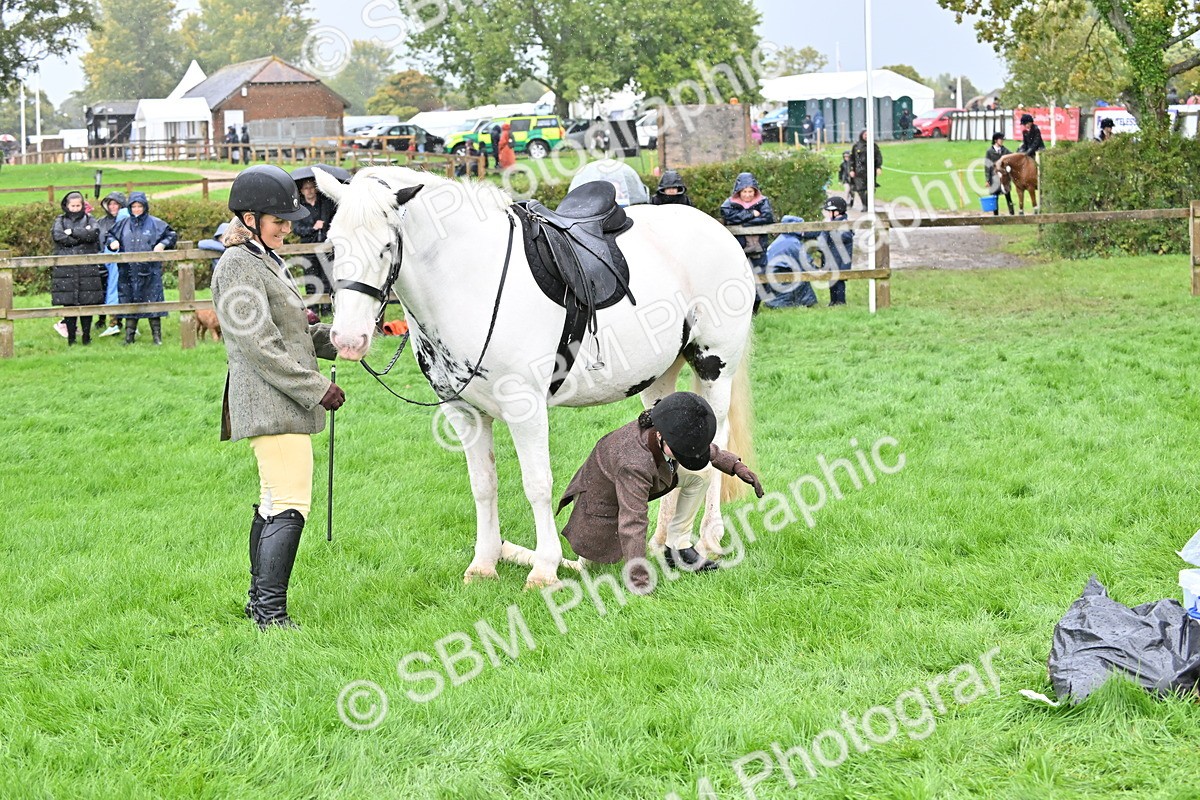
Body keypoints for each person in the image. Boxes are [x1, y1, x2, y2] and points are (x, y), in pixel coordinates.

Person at [210, 164, 342, 630]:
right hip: (270, 401)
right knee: (290, 502)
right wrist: (318, 388)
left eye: (290, 221)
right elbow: (260, 346)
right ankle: (271, 614)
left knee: (271, 503)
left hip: (280, 399)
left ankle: (257, 604)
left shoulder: (265, 258)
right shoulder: (237, 265)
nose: (288, 228)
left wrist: (341, 338)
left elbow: (292, 332)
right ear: (249, 219)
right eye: (279, 221)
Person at [555, 392, 763, 589]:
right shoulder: (633, 462)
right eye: (681, 449)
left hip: (641, 480)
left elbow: (694, 446)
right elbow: (633, 521)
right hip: (600, 513)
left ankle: (677, 548)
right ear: (663, 435)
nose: (688, 454)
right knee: (587, 568)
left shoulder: (666, 427)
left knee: (702, 473)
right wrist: (639, 581)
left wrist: (737, 467)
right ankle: (534, 557)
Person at [105, 191, 177, 345]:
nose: (137, 209)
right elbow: (109, 236)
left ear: (145, 207)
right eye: (134, 206)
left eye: (140, 206)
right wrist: (112, 243)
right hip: (127, 272)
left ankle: (157, 338)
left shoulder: (155, 223)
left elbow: (171, 234)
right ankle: (129, 338)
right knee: (130, 304)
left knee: (153, 303)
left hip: (150, 271)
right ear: (130, 208)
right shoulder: (122, 224)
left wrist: (162, 244)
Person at [50, 191, 102, 346]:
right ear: (66, 205)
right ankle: (71, 338)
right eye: (72, 205)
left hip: (87, 268)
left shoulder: (90, 218)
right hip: (66, 269)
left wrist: (72, 232)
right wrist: (80, 239)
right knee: (69, 304)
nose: (75, 208)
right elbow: (58, 236)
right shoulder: (60, 220)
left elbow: (93, 234)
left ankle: (86, 336)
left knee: (88, 302)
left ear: (82, 205)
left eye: (78, 205)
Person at [720, 172, 775, 311]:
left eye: (751, 191)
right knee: (737, 277)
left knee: (760, 277)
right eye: (744, 191)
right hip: (738, 248)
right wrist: (751, 214)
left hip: (758, 248)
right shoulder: (730, 203)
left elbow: (767, 217)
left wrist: (746, 223)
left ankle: (755, 308)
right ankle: (738, 305)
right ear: (739, 191)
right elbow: (728, 216)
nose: (748, 194)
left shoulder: (763, 201)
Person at [291, 165, 337, 316]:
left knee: (326, 278)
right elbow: (297, 229)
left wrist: (325, 227)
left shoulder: (326, 204)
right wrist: (313, 227)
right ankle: (313, 311)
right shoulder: (299, 208)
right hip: (307, 247)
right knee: (311, 279)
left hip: (325, 246)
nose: (309, 191)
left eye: (311, 187)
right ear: (302, 191)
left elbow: (335, 221)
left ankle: (326, 310)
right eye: (306, 188)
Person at [798, 197, 854, 306]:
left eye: (830, 212)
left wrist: (829, 229)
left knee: (839, 282)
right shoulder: (830, 223)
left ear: (837, 212)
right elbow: (820, 233)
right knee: (831, 281)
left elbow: (844, 236)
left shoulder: (844, 223)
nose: (828, 214)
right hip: (830, 259)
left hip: (840, 260)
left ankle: (840, 302)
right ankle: (833, 301)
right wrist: (805, 233)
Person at [763, 215, 818, 309]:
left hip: (771, 272)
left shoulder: (782, 238)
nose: (803, 230)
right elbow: (805, 261)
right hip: (779, 271)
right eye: (801, 227)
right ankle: (805, 302)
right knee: (802, 277)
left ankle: (775, 303)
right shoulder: (793, 242)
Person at [95, 191, 128, 337]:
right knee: (105, 293)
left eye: (116, 204)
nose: (113, 207)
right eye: (110, 204)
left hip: (122, 263)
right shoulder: (100, 222)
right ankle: (105, 320)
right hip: (104, 261)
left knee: (121, 291)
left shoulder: (127, 220)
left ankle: (122, 322)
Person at [849, 129, 882, 211]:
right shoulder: (856, 146)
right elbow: (852, 159)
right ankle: (865, 205)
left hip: (870, 170)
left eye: (868, 134)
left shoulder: (873, 146)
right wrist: (851, 169)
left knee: (871, 188)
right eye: (865, 134)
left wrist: (878, 167)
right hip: (859, 171)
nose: (866, 136)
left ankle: (869, 205)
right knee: (860, 189)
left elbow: (878, 156)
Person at [983, 132, 1014, 216]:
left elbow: (1012, 156)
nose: (1002, 141)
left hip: (1004, 177)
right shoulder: (989, 152)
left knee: (1008, 196)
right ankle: (995, 215)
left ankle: (1012, 214)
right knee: (995, 197)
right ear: (995, 140)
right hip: (994, 177)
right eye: (1001, 139)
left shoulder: (1005, 150)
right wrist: (987, 180)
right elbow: (987, 166)